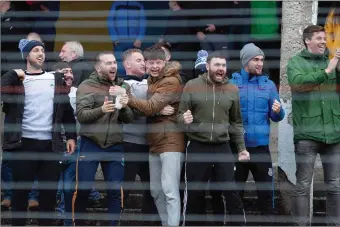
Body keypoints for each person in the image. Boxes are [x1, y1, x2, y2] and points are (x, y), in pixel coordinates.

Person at [1, 38, 77, 225]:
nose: (40, 53)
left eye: (42, 50)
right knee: (20, 195)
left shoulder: (55, 78)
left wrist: (71, 136)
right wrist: (12, 74)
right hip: (23, 143)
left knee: (48, 196)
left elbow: (66, 110)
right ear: (26, 55)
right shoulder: (18, 80)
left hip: (50, 145)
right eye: (35, 50)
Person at [177, 51, 250, 226]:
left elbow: (236, 122)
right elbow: (180, 114)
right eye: (217, 65)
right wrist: (183, 119)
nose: (221, 69)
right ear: (208, 66)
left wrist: (241, 148)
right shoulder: (192, 85)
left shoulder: (232, 89)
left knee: (231, 192)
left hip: (222, 147)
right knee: (194, 194)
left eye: (223, 66)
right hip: (197, 146)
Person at [287, 25, 340, 226]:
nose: (323, 42)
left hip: (334, 134)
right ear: (307, 40)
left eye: (324, 39)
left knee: (335, 186)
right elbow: (298, 84)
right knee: (302, 186)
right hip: (307, 135)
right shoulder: (295, 62)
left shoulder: (333, 61)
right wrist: (328, 70)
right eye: (319, 38)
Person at [74, 51, 134, 226]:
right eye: (108, 63)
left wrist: (123, 107)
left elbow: (129, 119)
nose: (113, 66)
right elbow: (81, 116)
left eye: (114, 62)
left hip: (115, 145)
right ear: (98, 67)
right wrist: (101, 110)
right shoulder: (86, 85)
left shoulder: (123, 85)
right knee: (83, 190)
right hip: (90, 143)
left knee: (115, 192)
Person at [127, 46, 185, 226]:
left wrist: (128, 98)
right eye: (151, 63)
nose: (154, 66)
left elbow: (151, 106)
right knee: (155, 191)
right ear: (145, 64)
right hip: (154, 141)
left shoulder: (171, 81)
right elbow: (153, 109)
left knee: (170, 190)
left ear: (165, 62)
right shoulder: (152, 81)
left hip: (171, 141)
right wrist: (157, 111)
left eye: (158, 63)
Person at [230, 43, 285, 223]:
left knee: (266, 194)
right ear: (246, 61)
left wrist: (278, 111)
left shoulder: (268, 85)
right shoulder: (232, 84)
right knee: (235, 193)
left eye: (262, 59)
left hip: (261, 149)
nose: (260, 63)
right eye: (256, 59)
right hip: (237, 149)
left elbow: (277, 117)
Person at [120, 48, 160, 224]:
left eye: (144, 60)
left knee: (152, 190)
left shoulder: (153, 82)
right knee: (123, 189)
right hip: (128, 144)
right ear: (127, 64)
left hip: (151, 145)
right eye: (138, 60)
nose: (143, 63)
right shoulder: (122, 85)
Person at [107, 1, 146, 75]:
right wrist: (114, 37)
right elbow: (110, 21)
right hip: (119, 42)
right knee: (119, 63)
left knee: (134, 63)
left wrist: (139, 39)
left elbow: (143, 22)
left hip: (134, 42)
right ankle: (121, 81)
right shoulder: (117, 3)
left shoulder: (138, 4)